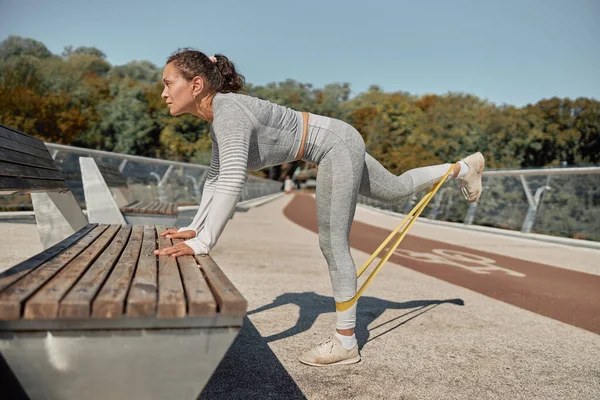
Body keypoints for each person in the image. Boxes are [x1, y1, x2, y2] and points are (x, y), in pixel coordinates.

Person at [154, 48, 485, 367]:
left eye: (169, 83)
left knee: (332, 241)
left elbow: (231, 181)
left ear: (196, 85)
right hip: (338, 139)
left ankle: (345, 343)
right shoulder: (220, 120)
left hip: (334, 147)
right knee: (395, 189)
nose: (163, 93)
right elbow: (215, 177)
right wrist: (194, 228)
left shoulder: (230, 114)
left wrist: (204, 242)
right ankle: (462, 168)